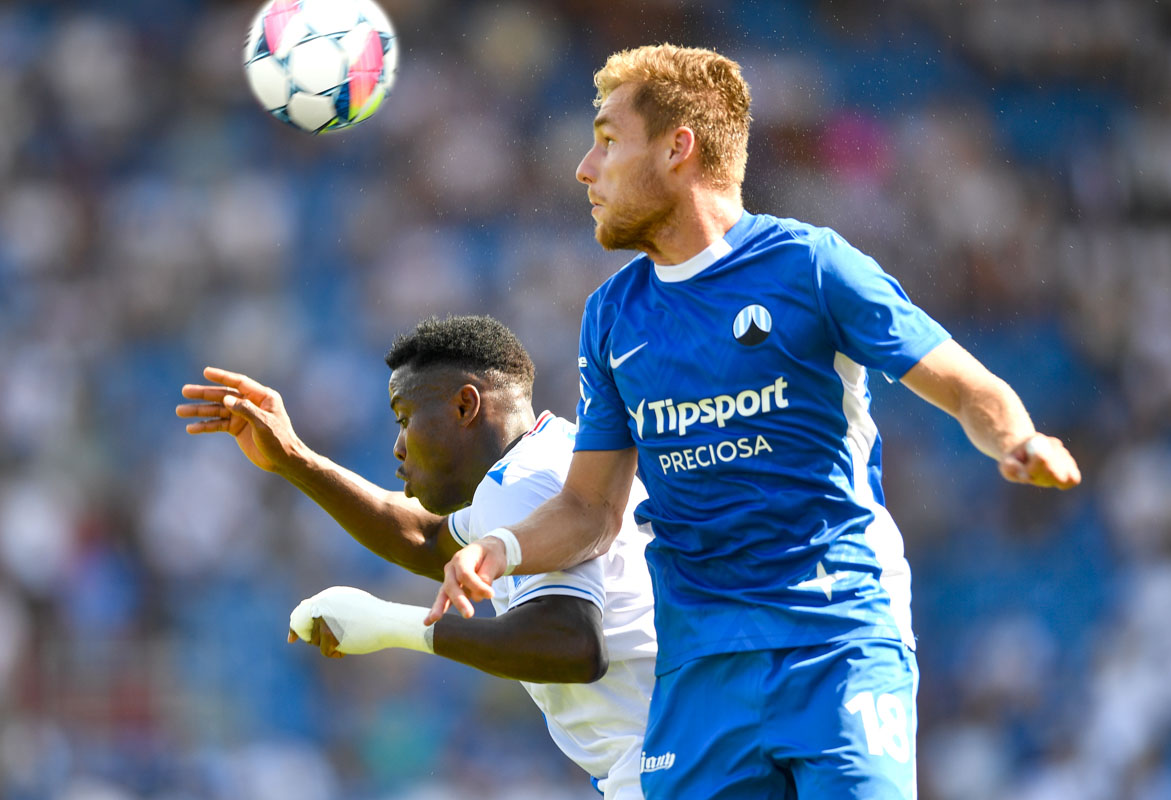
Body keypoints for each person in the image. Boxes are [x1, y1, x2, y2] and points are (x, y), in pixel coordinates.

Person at [430, 44, 1083, 799]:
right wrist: (500, 549)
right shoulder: (612, 316)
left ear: (678, 148)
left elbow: (967, 387)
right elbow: (587, 510)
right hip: (703, 668)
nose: (584, 168)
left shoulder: (810, 267)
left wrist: (1018, 438)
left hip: (835, 636)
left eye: (607, 141)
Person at [175, 315, 657, 800]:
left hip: (662, 761)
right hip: (669, 747)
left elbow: (574, 644)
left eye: (405, 418)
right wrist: (294, 457)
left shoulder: (517, 484)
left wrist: (391, 625)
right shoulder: (551, 455)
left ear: (465, 406)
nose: (398, 445)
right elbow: (425, 537)